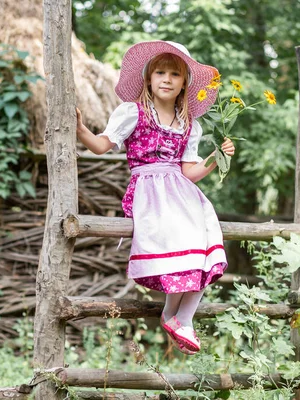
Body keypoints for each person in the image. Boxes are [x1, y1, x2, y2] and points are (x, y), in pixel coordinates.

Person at [76, 41, 235, 355]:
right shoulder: (133, 112)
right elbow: (101, 145)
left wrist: (215, 157)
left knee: (205, 241)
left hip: (182, 193)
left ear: (184, 84)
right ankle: (171, 315)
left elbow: (188, 171)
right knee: (181, 238)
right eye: (159, 72)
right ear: (148, 78)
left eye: (174, 74)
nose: (166, 79)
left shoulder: (190, 124)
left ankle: (183, 319)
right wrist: (81, 130)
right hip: (150, 192)